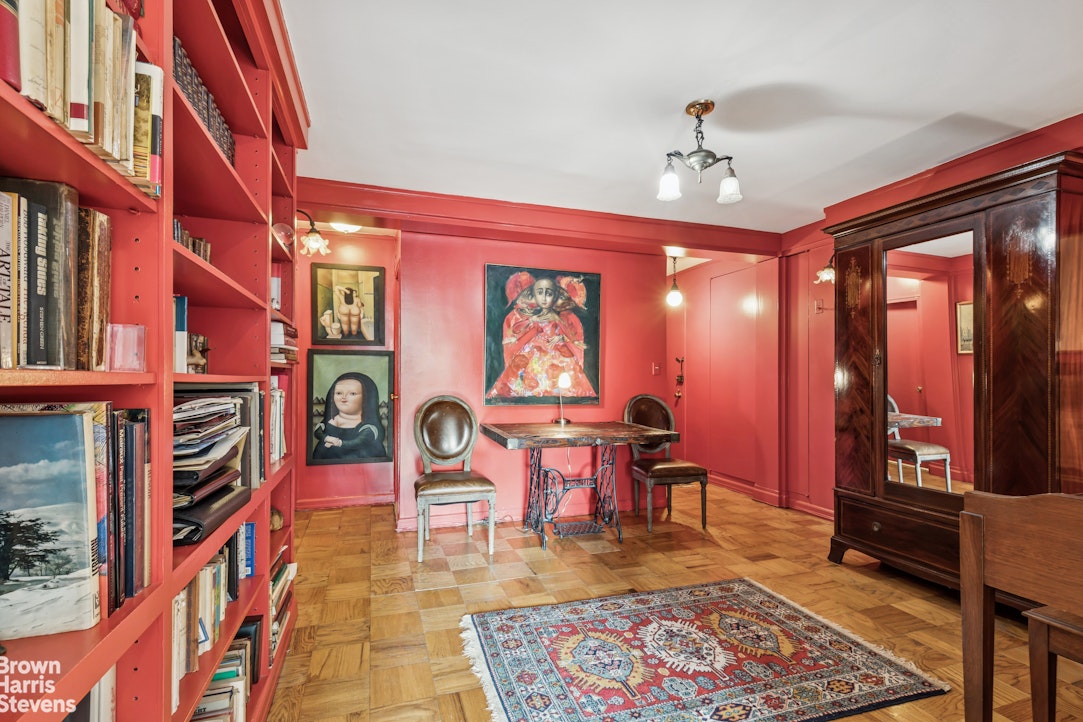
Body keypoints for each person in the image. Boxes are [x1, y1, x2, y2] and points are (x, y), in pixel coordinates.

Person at [486, 272, 597, 399]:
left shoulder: (561, 320)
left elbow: (572, 340)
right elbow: (515, 344)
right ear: (534, 295)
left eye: (548, 293)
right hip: (531, 367)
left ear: (555, 297)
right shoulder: (528, 320)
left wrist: (561, 338)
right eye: (540, 292)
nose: (544, 298)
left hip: (557, 366)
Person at [312, 372, 386, 460]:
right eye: (339, 393)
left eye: (352, 394)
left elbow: (358, 443)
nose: (343, 398)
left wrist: (338, 443)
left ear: (366, 398)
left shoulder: (368, 429)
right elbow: (318, 433)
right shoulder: (328, 423)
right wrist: (326, 438)